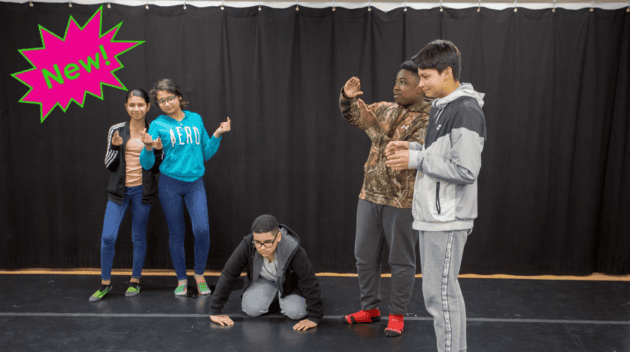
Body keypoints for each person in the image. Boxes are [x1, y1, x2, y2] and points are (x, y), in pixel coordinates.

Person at [386, 39, 487, 352]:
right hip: (435, 217)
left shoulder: (466, 111)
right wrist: (413, 148)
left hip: (448, 219)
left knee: (440, 295)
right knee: (440, 294)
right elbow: (441, 155)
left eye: (426, 77)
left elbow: (466, 170)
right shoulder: (444, 107)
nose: (421, 84)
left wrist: (416, 160)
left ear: (447, 73)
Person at [338, 61, 431, 337]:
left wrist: (373, 128)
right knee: (364, 257)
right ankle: (370, 308)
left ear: (420, 87)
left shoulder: (429, 119)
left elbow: (398, 149)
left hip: (402, 202)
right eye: (396, 81)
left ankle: (397, 314)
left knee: (401, 261)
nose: (396, 86)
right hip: (369, 196)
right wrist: (347, 97)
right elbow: (356, 116)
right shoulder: (386, 108)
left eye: (403, 82)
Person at [139, 78, 231, 296]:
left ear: (179, 97)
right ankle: (181, 279)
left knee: (202, 230)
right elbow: (147, 164)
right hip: (169, 184)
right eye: (161, 101)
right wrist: (148, 147)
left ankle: (199, 275)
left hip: (194, 184)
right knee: (177, 233)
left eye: (170, 98)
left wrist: (217, 134)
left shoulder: (195, 119)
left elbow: (206, 152)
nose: (167, 103)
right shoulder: (157, 125)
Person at [90, 89, 163, 302]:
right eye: (132, 105)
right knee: (108, 237)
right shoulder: (117, 130)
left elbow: (158, 168)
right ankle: (105, 283)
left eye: (141, 105)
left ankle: (135, 280)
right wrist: (114, 146)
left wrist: (157, 150)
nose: (136, 109)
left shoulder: (155, 129)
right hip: (119, 192)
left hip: (143, 191)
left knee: (138, 237)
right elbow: (108, 164)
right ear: (126, 107)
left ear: (148, 106)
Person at [208, 214, 323, 332]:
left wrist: (315, 317)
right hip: (264, 281)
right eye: (257, 242)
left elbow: (308, 280)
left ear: (278, 237)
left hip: (289, 285)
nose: (262, 247)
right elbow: (229, 273)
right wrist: (215, 310)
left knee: (295, 312)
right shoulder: (248, 244)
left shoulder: (293, 249)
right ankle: (274, 298)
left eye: (267, 242)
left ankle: (282, 298)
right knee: (251, 309)